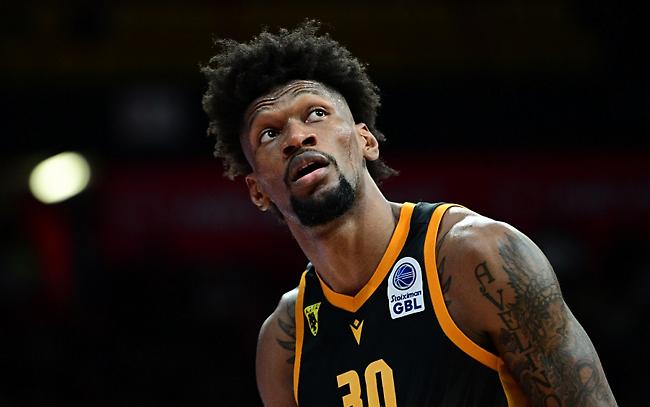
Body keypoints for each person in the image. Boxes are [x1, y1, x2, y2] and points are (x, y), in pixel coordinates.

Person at [201, 21, 617, 407]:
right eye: (269, 133)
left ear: (366, 141)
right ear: (257, 191)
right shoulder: (284, 343)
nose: (297, 136)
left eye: (317, 113)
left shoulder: (475, 256)